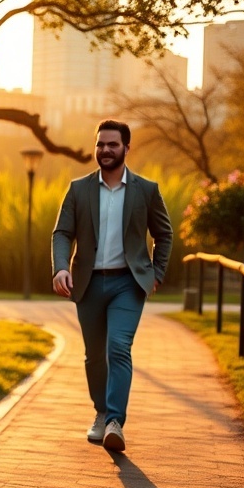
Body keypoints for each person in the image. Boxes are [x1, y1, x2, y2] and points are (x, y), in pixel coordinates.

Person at [51, 119, 173, 452]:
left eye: (113, 145)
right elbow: (62, 233)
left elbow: (164, 234)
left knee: (118, 347)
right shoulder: (79, 189)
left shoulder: (146, 190)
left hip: (127, 284)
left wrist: (157, 273)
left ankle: (115, 421)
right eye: (101, 144)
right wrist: (61, 268)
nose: (105, 150)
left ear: (126, 149)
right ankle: (101, 413)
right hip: (88, 284)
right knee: (94, 356)